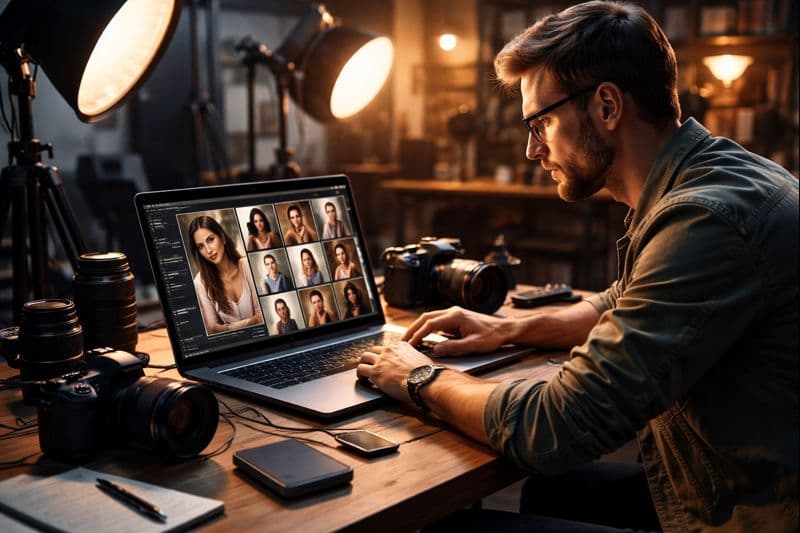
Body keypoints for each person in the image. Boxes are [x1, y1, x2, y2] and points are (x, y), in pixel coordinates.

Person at [356, 2, 798, 531]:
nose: (531, 149)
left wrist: (421, 377)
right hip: (725, 478)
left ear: (607, 106)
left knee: (459, 527)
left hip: (746, 510)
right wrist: (507, 328)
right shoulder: (711, 176)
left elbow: (562, 425)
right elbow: (624, 299)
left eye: (540, 122)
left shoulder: (707, 219)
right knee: (555, 491)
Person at [188, 215, 263, 334]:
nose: (208, 250)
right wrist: (251, 322)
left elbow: (262, 317)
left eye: (210, 239)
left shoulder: (247, 266)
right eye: (200, 246)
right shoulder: (200, 282)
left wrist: (226, 328)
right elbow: (212, 328)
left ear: (222, 237)